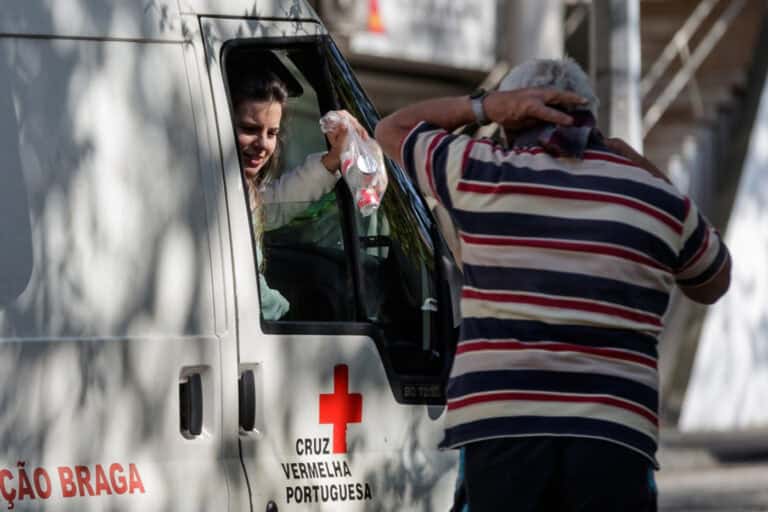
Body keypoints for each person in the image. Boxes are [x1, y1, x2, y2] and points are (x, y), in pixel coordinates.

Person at [375, 58, 731, 511]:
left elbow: (390, 128)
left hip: (504, 432)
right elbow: (714, 280)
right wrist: (647, 171)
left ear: (512, 120)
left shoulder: (477, 171)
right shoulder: (657, 201)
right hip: (615, 437)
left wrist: (485, 106)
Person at [231, 71, 368, 320]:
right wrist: (284, 312)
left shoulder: (240, 188)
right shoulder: (213, 192)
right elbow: (249, 293)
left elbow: (273, 205)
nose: (263, 145)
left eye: (271, 133)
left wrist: (332, 161)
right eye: (250, 129)